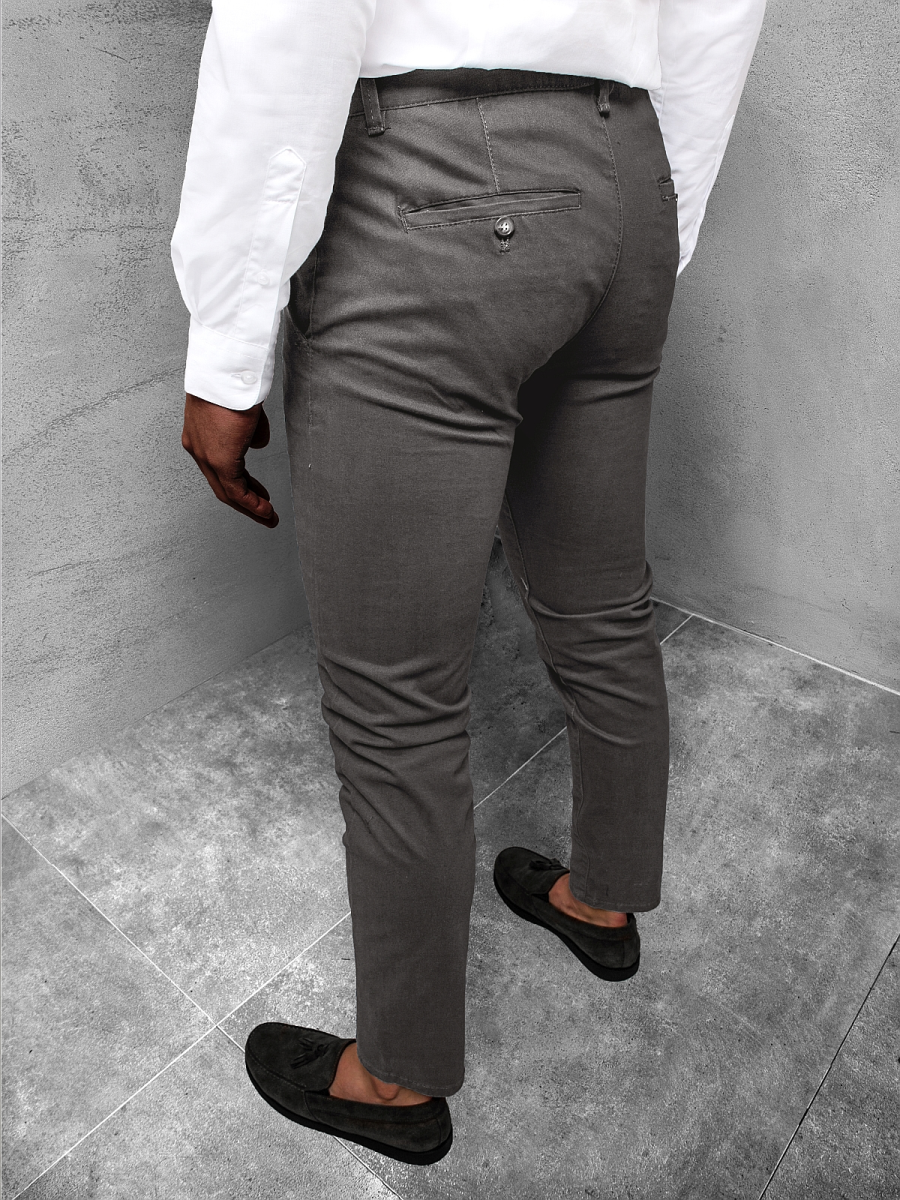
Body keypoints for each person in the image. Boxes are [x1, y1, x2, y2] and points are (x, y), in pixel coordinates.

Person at [172, 0, 766, 1165]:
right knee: (603, 603)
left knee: (396, 702)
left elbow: (289, 22)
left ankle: (395, 1080)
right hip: (627, 172)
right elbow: (719, 12)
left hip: (435, 189)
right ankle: (602, 900)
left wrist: (224, 354)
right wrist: (651, 220)